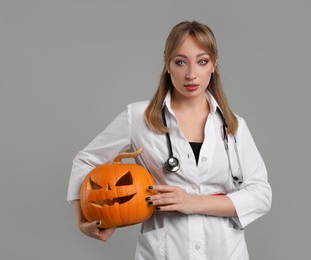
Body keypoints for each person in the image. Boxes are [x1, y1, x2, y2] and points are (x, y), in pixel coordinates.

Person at [67, 21, 272, 260]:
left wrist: (193, 203)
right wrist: (83, 220)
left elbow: (260, 195)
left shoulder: (233, 125)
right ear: (167, 65)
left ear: (214, 65)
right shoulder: (138, 118)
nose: (191, 74)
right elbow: (85, 161)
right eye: (180, 62)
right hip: (163, 252)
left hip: (225, 252)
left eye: (202, 61)